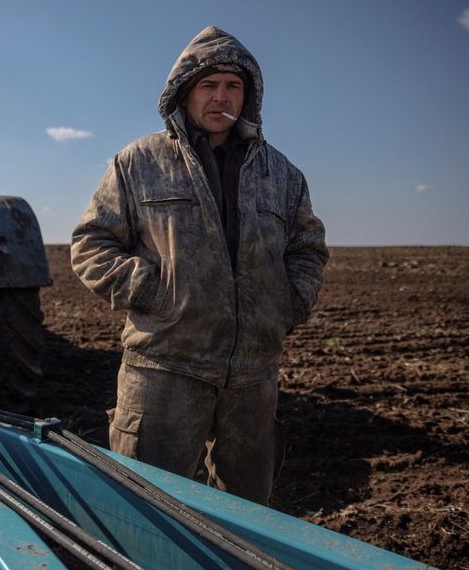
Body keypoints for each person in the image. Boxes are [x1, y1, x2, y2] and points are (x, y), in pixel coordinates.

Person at [70, 26, 328, 506]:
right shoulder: (138, 163)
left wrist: (287, 303)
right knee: (145, 514)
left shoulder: (282, 174)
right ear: (184, 93)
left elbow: (308, 247)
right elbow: (91, 244)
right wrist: (156, 292)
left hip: (252, 376)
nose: (220, 97)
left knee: (248, 518)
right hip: (165, 367)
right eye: (208, 85)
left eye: (233, 86)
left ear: (248, 97)